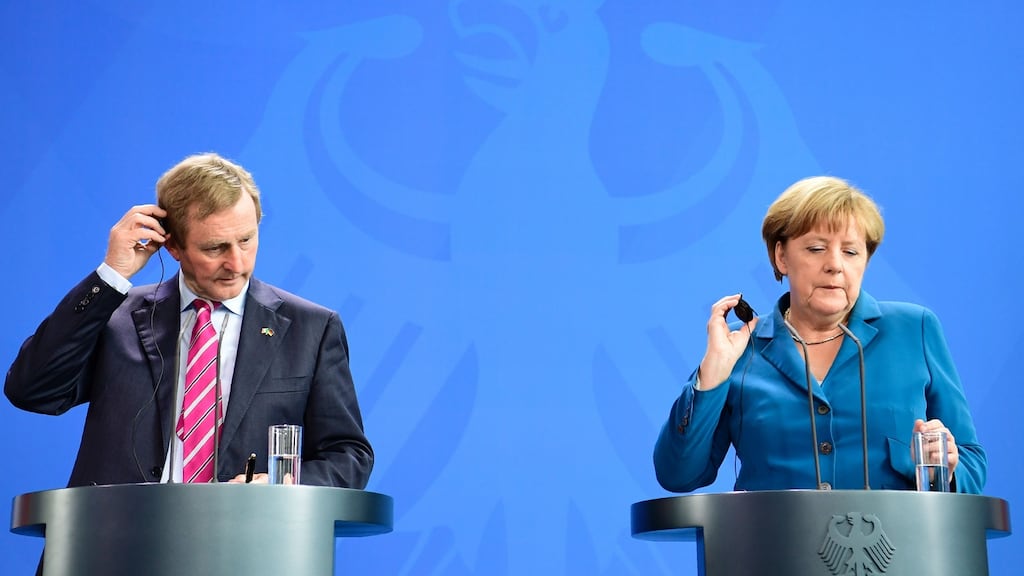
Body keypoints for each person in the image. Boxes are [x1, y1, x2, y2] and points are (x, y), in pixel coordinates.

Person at [5, 152, 373, 488]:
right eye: (215, 248)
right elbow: (33, 391)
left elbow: (349, 456)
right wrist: (111, 276)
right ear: (173, 246)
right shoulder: (115, 315)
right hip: (115, 547)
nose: (237, 264)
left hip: (248, 549)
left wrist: (280, 486)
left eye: (246, 240)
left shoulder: (312, 329)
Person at [653, 176, 985, 493]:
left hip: (893, 548)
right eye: (816, 249)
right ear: (781, 256)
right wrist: (712, 376)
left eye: (851, 252)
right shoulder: (740, 348)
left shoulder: (915, 329)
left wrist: (947, 467)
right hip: (771, 549)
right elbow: (678, 475)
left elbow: (972, 464)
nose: (835, 265)